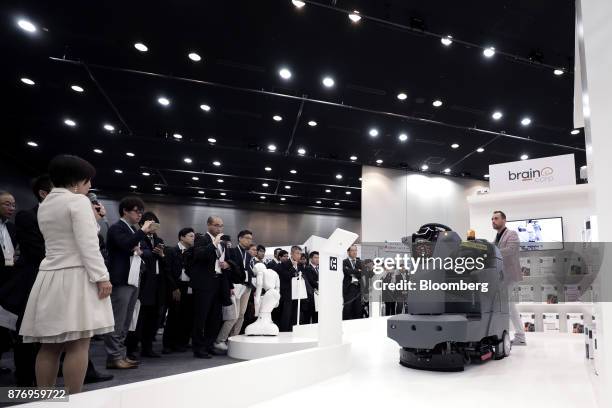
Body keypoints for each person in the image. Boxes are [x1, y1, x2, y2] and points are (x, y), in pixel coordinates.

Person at [18, 155, 114, 394]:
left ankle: (47, 401)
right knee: (79, 345)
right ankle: (74, 401)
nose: (89, 186)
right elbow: (87, 244)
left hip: (48, 277)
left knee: (49, 346)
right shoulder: (78, 201)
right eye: (88, 180)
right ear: (77, 181)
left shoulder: (47, 202)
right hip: (76, 277)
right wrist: (102, 276)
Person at [104, 197, 155, 369]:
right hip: (121, 279)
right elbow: (126, 244)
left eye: (141, 211)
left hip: (133, 278)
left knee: (127, 321)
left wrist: (140, 246)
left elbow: (144, 251)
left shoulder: (132, 229)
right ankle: (114, 356)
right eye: (136, 211)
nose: (139, 214)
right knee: (118, 320)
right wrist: (142, 233)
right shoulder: (116, 228)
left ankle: (120, 354)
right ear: (125, 211)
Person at [185, 216, 230, 359]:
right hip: (204, 283)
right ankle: (198, 348)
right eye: (217, 225)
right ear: (209, 225)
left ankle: (209, 345)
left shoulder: (222, 243)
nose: (220, 228)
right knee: (201, 317)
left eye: (221, 226)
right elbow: (199, 255)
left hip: (218, 282)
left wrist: (227, 264)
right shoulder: (201, 238)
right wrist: (214, 243)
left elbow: (224, 260)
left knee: (215, 318)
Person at [131, 212, 168, 358]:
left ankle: (148, 347)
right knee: (139, 317)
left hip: (158, 282)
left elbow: (164, 261)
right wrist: (153, 253)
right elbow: (139, 253)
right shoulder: (138, 237)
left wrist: (162, 255)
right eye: (151, 224)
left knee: (154, 317)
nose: (154, 227)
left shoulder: (159, 240)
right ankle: (132, 348)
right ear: (143, 224)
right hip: (144, 282)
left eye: (156, 224)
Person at [215, 230, 255, 351]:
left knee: (241, 315)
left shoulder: (248, 255)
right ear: (240, 238)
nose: (249, 240)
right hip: (235, 286)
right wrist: (230, 286)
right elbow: (226, 269)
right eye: (247, 238)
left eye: (251, 238)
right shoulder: (231, 251)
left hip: (246, 286)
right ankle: (220, 340)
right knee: (233, 315)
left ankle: (234, 339)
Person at [492, 210, 526, 346]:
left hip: (510, 275)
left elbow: (511, 250)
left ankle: (520, 336)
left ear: (504, 220)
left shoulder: (511, 234)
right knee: (508, 305)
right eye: (492, 219)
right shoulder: (496, 237)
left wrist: (493, 251)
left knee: (508, 305)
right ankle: (517, 335)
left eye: (496, 218)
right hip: (501, 277)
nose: (493, 221)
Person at [162, 227, 195, 354]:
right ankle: (167, 344)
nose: (193, 238)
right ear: (182, 237)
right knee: (173, 316)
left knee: (187, 316)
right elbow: (167, 270)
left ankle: (181, 343)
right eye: (191, 236)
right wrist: (174, 288)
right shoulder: (171, 250)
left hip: (189, 286)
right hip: (175, 286)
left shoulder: (193, 252)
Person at [0, 190, 17, 374]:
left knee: (3, 325)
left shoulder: (11, 228)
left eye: (13, 204)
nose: (11, 208)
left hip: (7, 279)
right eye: (7, 204)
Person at [276, 246, 308, 331]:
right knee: (286, 315)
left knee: (295, 314)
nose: (299, 255)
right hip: (287, 294)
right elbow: (286, 276)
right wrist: (293, 268)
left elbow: (303, 277)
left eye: (300, 253)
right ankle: (284, 332)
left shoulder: (301, 265)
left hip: (298, 293)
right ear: (292, 253)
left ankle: (292, 331)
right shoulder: (284, 264)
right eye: (297, 253)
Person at [342, 245, 363, 320]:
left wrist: (353, 272)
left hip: (358, 289)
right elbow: (346, 271)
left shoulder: (360, 262)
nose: (354, 252)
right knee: (347, 309)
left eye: (356, 250)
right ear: (348, 252)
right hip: (348, 289)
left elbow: (362, 274)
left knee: (358, 310)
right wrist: (358, 271)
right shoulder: (344, 262)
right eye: (352, 250)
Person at [302, 251, 319, 324]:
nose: (317, 259)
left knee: (316, 315)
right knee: (309, 315)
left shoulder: (319, 268)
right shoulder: (308, 268)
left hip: (318, 296)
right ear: (311, 259)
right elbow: (311, 281)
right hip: (311, 296)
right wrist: (320, 284)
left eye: (318, 257)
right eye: (315, 257)